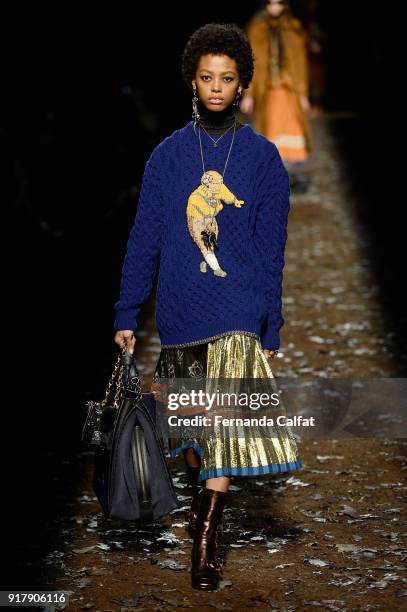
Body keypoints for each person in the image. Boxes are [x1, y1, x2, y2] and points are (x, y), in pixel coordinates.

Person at [113, 22, 303, 591]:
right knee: (195, 432)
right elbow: (144, 237)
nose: (217, 87)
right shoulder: (167, 157)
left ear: (242, 84)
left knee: (219, 423)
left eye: (227, 78)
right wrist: (127, 312)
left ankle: (205, 540)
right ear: (192, 83)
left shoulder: (264, 158)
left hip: (237, 308)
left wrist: (270, 317)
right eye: (206, 77)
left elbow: (272, 249)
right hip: (179, 307)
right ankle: (202, 503)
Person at [241, 0, 312, 167]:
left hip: (289, 88)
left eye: (279, 3)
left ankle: (285, 170)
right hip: (267, 88)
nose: (275, 7)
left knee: (292, 126)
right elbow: (251, 62)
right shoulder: (256, 28)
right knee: (270, 128)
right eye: (270, 3)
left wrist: (303, 94)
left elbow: (300, 62)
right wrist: (248, 94)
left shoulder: (292, 28)